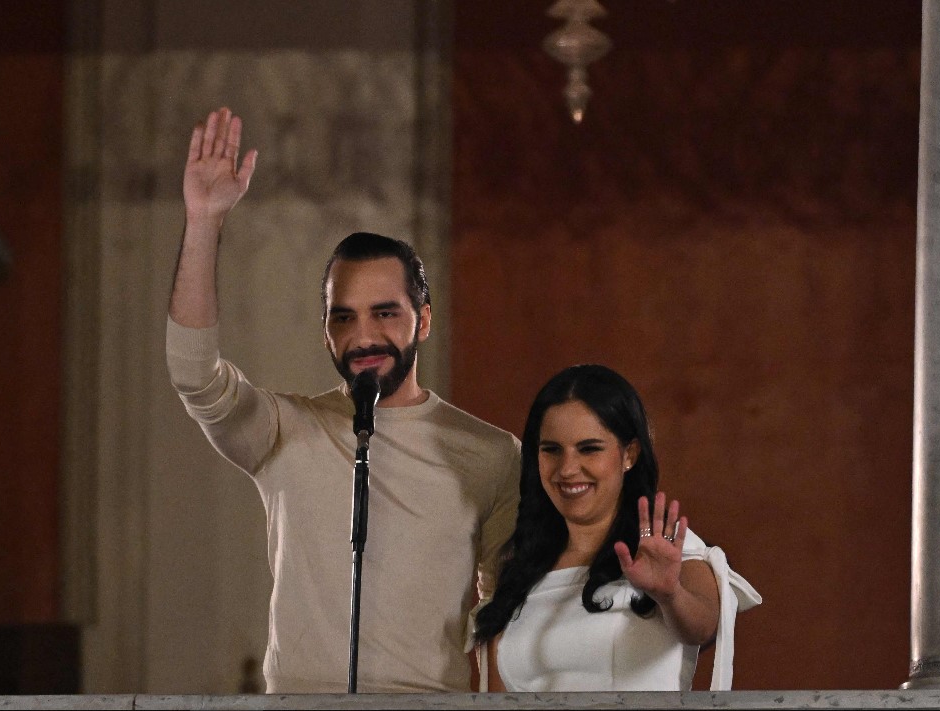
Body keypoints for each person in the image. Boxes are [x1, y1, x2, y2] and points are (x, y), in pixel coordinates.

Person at [166, 107, 521, 692]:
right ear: (325, 329)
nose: (364, 337)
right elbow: (193, 373)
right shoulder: (284, 430)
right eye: (344, 317)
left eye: (385, 313)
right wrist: (203, 221)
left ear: (423, 320)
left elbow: (507, 616)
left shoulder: (489, 452)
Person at [473, 364, 760, 691]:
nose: (567, 469)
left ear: (629, 454)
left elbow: (702, 625)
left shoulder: (667, 549)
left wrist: (669, 595)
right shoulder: (518, 568)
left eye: (589, 449)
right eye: (551, 449)